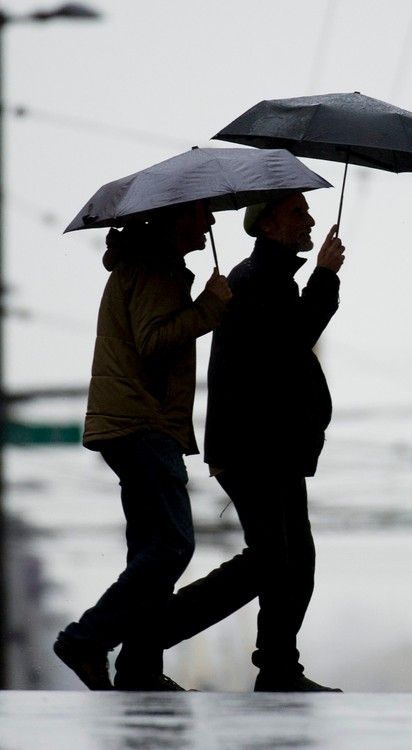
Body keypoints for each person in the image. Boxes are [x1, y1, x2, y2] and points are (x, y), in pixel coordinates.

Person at [54, 200, 232, 691]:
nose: (211, 222)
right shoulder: (156, 270)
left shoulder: (150, 266)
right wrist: (211, 306)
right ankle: (86, 639)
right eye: (202, 214)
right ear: (177, 218)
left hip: (133, 423)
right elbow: (154, 341)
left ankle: (139, 667)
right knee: (174, 543)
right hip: (144, 424)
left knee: (149, 551)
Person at [203, 192, 345, 692]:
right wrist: (324, 275)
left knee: (290, 562)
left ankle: (279, 664)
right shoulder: (256, 280)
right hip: (254, 448)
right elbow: (293, 339)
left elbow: (289, 341)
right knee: (272, 561)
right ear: (266, 224)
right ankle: (150, 635)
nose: (309, 220)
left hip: (272, 447)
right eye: (297, 212)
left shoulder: (272, 277)